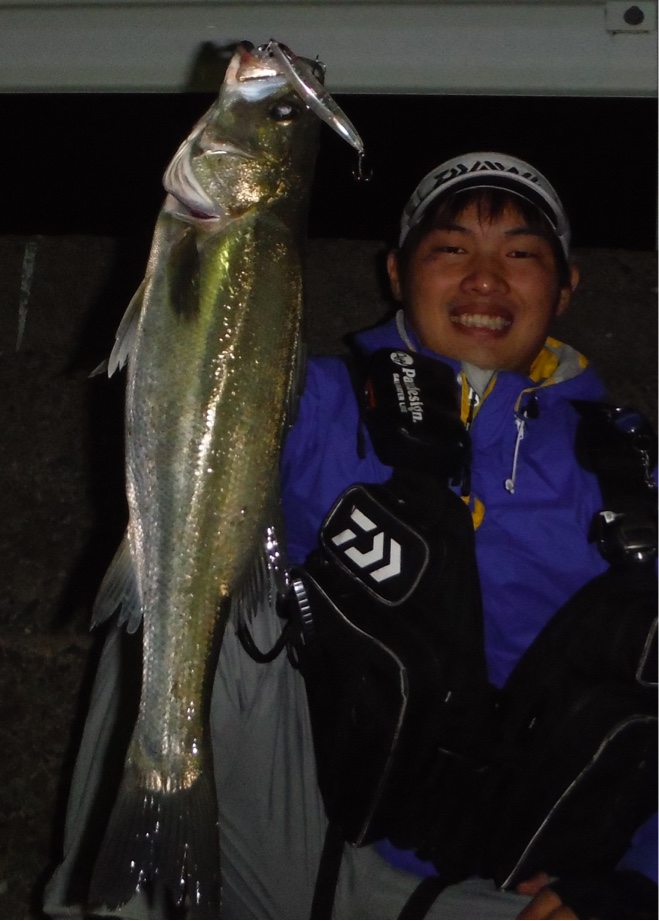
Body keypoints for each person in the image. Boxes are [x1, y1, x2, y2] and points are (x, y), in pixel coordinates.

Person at [43, 152, 657, 920]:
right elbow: (194, 377)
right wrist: (218, 225)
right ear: (395, 272)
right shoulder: (310, 399)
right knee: (192, 568)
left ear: (565, 287)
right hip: (284, 827)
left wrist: (641, 877)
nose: (484, 278)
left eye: (521, 254)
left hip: (497, 889)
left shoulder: (629, 473)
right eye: (450, 247)